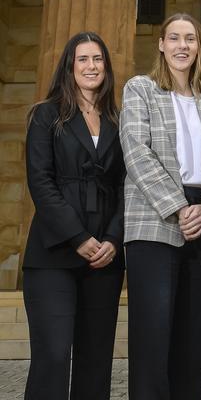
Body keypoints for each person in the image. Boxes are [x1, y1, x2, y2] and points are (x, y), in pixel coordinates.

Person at [120, 13, 201, 400]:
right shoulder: (140, 89)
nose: (182, 45)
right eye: (174, 38)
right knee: (152, 337)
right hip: (153, 218)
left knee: (194, 341)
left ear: (198, 47)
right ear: (160, 44)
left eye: (190, 38)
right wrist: (179, 207)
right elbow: (136, 152)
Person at [23, 32, 125, 400]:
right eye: (82, 59)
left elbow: (128, 185)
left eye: (98, 59)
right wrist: (78, 237)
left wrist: (114, 239)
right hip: (53, 253)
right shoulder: (45, 115)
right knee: (52, 355)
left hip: (105, 259)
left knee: (95, 361)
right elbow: (41, 182)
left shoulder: (118, 119)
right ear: (69, 66)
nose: (91, 66)